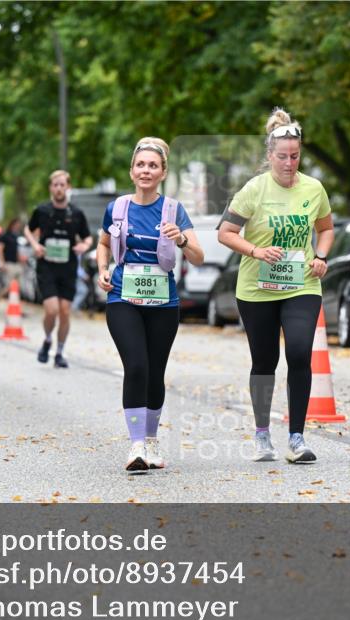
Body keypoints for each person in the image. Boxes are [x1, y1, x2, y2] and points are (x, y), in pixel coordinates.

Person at [217, 107, 334, 465]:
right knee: (264, 360)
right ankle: (262, 434)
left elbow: (325, 229)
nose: (288, 163)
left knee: (299, 352)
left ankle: (297, 438)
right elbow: (224, 233)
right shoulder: (254, 189)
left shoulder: (314, 189)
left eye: (294, 156)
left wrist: (321, 256)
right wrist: (256, 250)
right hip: (256, 288)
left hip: (301, 284)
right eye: (282, 157)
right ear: (269, 156)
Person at [96, 138, 204, 472]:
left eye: (152, 166)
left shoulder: (174, 210)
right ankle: (136, 445)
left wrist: (182, 239)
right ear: (132, 171)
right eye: (140, 165)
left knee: (155, 372)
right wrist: (102, 269)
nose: (146, 170)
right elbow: (103, 243)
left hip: (162, 301)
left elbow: (198, 258)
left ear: (162, 172)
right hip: (123, 298)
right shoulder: (117, 208)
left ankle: (153, 441)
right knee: (137, 366)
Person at [26, 170, 93, 368]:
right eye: (55, 185)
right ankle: (47, 339)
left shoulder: (76, 214)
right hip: (46, 267)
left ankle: (60, 352)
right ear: (50, 188)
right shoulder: (42, 210)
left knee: (65, 311)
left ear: (68, 187)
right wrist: (35, 245)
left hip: (68, 267)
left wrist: (84, 246)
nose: (58, 188)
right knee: (52, 309)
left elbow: (88, 237)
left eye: (62, 184)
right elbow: (27, 230)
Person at [0, 218, 24, 316]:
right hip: (8, 264)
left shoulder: (16, 236)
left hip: (16, 264)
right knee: (9, 287)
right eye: (17, 224)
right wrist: (2, 263)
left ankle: (17, 308)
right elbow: (0, 250)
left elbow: (17, 250)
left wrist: (21, 260)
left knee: (18, 288)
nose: (18, 226)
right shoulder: (5, 236)